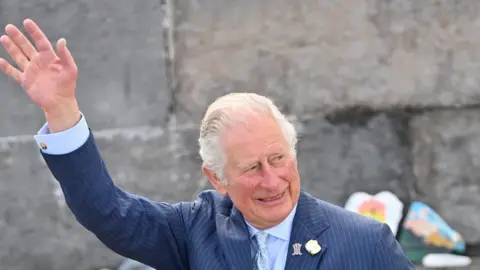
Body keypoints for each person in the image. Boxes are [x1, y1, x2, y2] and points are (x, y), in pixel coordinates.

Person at [0, 19, 415, 270]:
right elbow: (106, 211)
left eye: (278, 159)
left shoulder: (365, 242)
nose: (272, 180)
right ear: (217, 178)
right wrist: (61, 109)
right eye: (252, 167)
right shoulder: (195, 231)